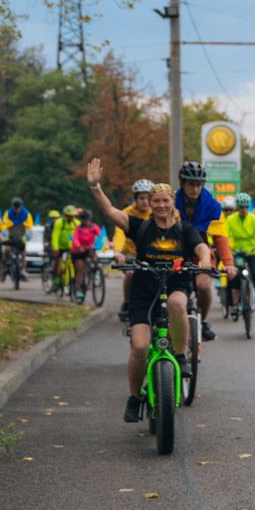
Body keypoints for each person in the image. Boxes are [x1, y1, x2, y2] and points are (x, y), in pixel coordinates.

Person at [86, 159, 212, 423]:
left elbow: (200, 247)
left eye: (166, 200)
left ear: (172, 203)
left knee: (179, 305)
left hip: (175, 283)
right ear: (151, 204)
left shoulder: (183, 229)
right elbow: (110, 212)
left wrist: (204, 260)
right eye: (157, 201)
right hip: (144, 291)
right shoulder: (140, 226)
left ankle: (180, 356)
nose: (161, 205)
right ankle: (134, 398)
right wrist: (96, 187)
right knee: (140, 348)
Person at [175, 161, 235, 341]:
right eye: (191, 184)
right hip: (175, 250)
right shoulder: (171, 202)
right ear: (182, 183)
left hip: (201, 251)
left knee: (203, 286)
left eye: (198, 185)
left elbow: (220, 238)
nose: (195, 189)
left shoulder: (213, 206)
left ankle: (202, 321)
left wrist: (229, 263)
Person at [113, 179, 159, 320]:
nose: (145, 202)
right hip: (130, 252)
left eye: (148, 198)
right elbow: (119, 233)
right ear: (135, 198)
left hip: (150, 252)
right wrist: (117, 252)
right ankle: (127, 303)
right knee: (131, 274)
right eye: (141, 198)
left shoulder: (156, 212)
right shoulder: (126, 212)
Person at [226, 192, 255, 313]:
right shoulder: (230, 219)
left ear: (248, 207)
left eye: (245, 207)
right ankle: (234, 304)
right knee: (234, 276)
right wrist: (230, 248)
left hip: (252, 252)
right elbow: (227, 236)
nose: (243, 209)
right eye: (241, 207)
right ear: (237, 207)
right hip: (237, 252)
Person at [70, 208, 101, 302]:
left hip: (89, 249)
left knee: (94, 255)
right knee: (80, 270)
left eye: (89, 220)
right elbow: (75, 239)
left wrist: (103, 243)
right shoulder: (78, 229)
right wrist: (79, 246)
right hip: (78, 252)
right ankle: (78, 290)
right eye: (85, 220)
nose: (87, 222)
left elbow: (100, 235)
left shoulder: (94, 227)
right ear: (82, 220)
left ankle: (96, 271)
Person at [51, 205, 80, 291]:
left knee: (75, 264)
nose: (71, 218)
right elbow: (55, 236)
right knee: (58, 263)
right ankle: (56, 281)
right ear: (65, 215)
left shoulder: (77, 223)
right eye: (69, 216)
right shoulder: (59, 223)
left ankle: (73, 281)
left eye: (72, 216)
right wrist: (55, 248)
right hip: (61, 247)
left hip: (72, 248)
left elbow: (79, 236)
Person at [2, 197, 32, 277]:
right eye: (15, 207)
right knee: (7, 250)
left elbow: (29, 226)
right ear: (12, 207)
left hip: (21, 236)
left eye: (18, 207)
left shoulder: (26, 214)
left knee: (23, 254)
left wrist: (26, 237)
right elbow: (5, 225)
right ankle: (5, 267)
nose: (16, 209)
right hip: (11, 235)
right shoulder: (8, 213)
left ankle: (23, 270)